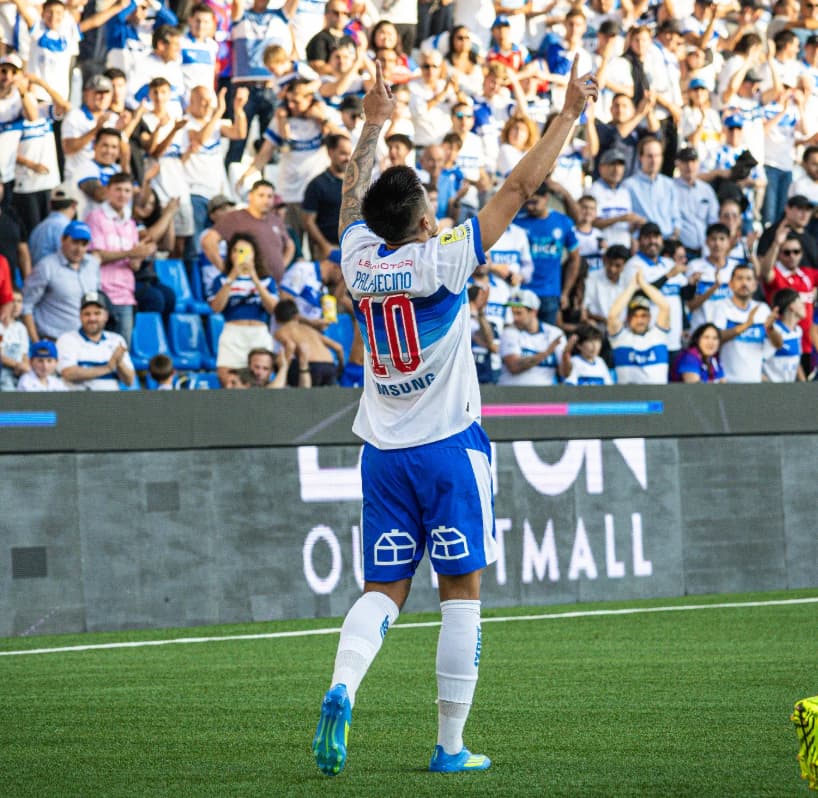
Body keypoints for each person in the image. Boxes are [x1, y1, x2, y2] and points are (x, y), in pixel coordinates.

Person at [311, 57, 598, 777]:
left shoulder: (357, 261)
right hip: (448, 447)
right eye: (430, 207)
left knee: (383, 591)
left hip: (382, 452)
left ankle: (343, 685)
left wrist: (373, 124)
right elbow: (519, 188)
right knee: (460, 596)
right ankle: (449, 747)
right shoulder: (443, 260)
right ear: (423, 221)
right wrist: (567, 114)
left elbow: (350, 197)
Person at [206, 232, 279, 386]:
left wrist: (255, 279)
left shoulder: (266, 280)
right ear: (230, 255)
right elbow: (216, 308)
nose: (241, 255)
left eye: (245, 251)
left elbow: (273, 309)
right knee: (228, 379)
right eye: (236, 251)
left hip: (259, 333)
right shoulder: (220, 280)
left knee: (260, 381)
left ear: (254, 255)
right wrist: (231, 277)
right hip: (233, 332)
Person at [21, 220, 101, 342]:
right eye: (75, 242)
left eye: (84, 244)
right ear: (63, 239)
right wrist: (37, 342)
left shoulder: (93, 264)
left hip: (87, 341)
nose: (79, 249)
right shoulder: (46, 266)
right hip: (54, 341)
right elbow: (26, 304)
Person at [513, 182, 580, 325]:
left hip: (550, 292)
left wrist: (565, 292)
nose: (530, 207)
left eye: (535, 202)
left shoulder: (563, 222)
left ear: (546, 198)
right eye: (528, 202)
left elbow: (575, 258)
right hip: (522, 291)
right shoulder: (517, 222)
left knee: (547, 334)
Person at [201, 179, 294, 282]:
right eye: (261, 195)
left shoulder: (275, 219)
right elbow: (208, 242)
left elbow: (290, 245)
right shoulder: (235, 218)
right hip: (247, 287)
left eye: (270, 196)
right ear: (250, 196)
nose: (266, 200)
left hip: (274, 285)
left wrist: (282, 265)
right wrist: (226, 271)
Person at [710, 264, 784, 383]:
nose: (744, 283)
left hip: (754, 381)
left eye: (749, 279)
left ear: (755, 285)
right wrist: (746, 325)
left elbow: (778, 344)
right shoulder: (721, 306)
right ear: (730, 284)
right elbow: (716, 337)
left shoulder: (763, 308)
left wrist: (770, 329)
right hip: (727, 381)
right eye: (739, 278)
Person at [57, 290, 135, 390]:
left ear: (106, 316)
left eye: (97, 313)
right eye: (87, 314)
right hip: (78, 398)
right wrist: (108, 368)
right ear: (80, 316)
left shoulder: (117, 339)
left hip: (111, 398)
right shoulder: (67, 339)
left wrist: (119, 363)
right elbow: (68, 373)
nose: (92, 318)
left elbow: (129, 381)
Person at [607, 269, 671, 384]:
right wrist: (632, 286)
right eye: (634, 316)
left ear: (650, 317)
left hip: (658, 394)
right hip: (629, 395)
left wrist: (643, 284)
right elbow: (612, 316)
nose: (639, 320)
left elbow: (665, 307)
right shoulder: (620, 339)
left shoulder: (658, 335)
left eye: (643, 315)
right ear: (628, 318)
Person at [498, 289, 567, 385]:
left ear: (533, 312)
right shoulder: (509, 332)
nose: (514, 318)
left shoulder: (554, 333)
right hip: (511, 392)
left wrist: (567, 355)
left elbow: (564, 373)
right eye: (513, 313)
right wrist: (546, 353)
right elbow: (514, 366)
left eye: (519, 313)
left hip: (545, 392)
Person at [301, 133, 352, 258]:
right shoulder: (317, 185)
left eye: (350, 154)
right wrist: (325, 247)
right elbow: (308, 222)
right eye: (343, 153)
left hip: (352, 250)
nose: (348, 158)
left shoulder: (355, 183)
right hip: (327, 251)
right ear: (330, 152)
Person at [273, 298, 343, 385]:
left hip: (312, 367)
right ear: (297, 316)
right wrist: (340, 369)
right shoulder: (310, 329)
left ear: (276, 319)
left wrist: (284, 371)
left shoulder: (281, 331)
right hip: (329, 366)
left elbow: (290, 346)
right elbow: (339, 347)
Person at [762, 288, 807, 382]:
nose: (804, 305)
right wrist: (771, 386)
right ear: (791, 306)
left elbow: (796, 361)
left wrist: (805, 384)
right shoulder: (774, 332)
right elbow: (756, 366)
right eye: (800, 302)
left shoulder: (798, 331)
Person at [0, 288, 30, 390]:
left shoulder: (21, 328)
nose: (16, 305)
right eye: (12, 301)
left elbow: (24, 354)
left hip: (18, 373)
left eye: (19, 301)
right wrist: (17, 365)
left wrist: (24, 367)